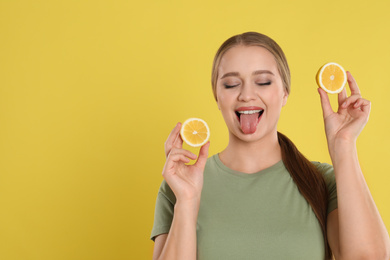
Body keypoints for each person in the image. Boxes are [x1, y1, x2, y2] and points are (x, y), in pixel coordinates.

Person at [150, 32, 390, 260]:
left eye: (263, 82)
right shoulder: (181, 185)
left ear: (285, 93)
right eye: (231, 84)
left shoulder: (322, 181)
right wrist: (187, 200)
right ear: (217, 96)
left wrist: (343, 144)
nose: (246, 95)